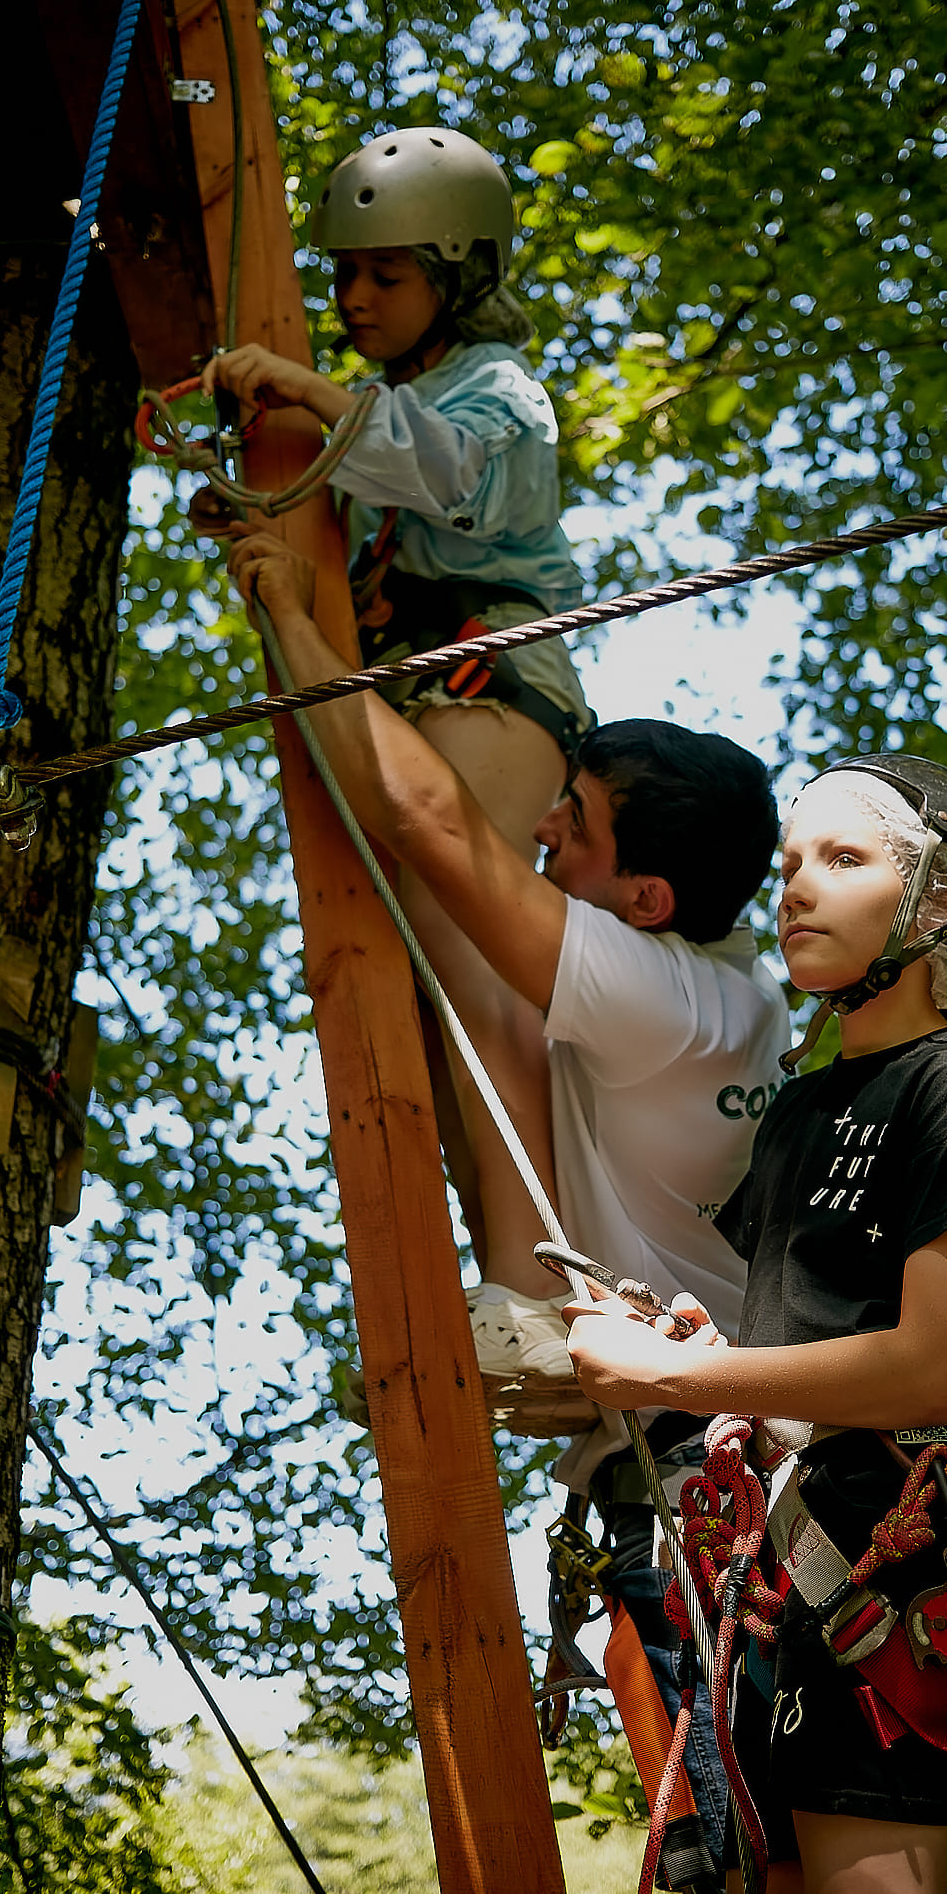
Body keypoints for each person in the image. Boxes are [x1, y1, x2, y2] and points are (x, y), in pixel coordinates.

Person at [222, 525, 793, 1894]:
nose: (543, 829)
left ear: (644, 899)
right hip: (680, 1471)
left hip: (700, 1490)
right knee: (734, 1857)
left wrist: (295, 622)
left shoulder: (663, 999)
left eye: (573, 826)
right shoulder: (722, 984)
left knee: (754, 1875)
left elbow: (430, 824)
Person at [564, 755, 947, 1894]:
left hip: (890, 1536)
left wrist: (682, 1379)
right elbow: (803, 1345)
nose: (794, 888)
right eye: (788, 865)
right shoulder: (795, 1116)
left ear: (942, 905)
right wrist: (706, 1351)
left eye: (843, 859)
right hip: (777, 1559)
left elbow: (931, 1366)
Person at [203, 126, 593, 1348]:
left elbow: (460, 474)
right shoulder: (403, 400)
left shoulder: (493, 391)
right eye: (347, 274)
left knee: (469, 971)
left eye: (389, 273)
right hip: (423, 687)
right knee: (429, 1013)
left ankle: (543, 1290)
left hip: (496, 680)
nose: (357, 298)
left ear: (458, 276)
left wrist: (316, 395)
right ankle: (507, 1285)